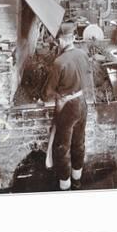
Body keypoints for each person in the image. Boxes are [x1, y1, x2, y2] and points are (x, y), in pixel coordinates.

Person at [44, 22, 91, 191]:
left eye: (57, 40)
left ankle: (65, 186)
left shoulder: (59, 62)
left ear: (62, 40)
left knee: (62, 147)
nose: (57, 43)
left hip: (68, 108)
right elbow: (87, 76)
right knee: (79, 143)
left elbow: (48, 92)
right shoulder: (83, 54)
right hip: (82, 104)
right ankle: (77, 180)